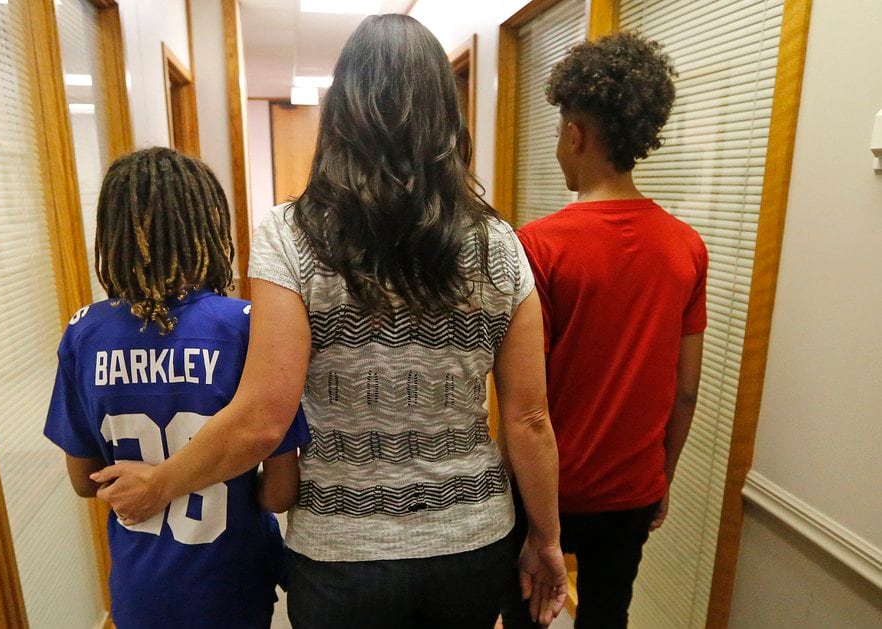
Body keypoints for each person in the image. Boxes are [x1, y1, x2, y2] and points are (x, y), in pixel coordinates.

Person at [89, 14, 567, 629]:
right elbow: (530, 419)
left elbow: (263, 419)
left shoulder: (291, 234)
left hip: (342, 553)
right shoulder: (499, 243)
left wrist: (159, 485)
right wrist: (547, 539)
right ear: (446, 114)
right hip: (470, 542)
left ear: (341, 111)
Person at [44, 147, 310, 629]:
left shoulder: (84, 333)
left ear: (112, 235)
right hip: (232, 579)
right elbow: (279, 492)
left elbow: (85, 481)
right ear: (209, 229)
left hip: (141, 585)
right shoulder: (246, 328)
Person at [502, 32, 707, 629]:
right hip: (631, 491)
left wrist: (532, 516)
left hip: (548, 490)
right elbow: (685, 389)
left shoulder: (537, 247)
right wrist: (662, 478)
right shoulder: (686, 248)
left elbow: (526, 405)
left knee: (527, 613)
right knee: (608, 615)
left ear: (576, 133)